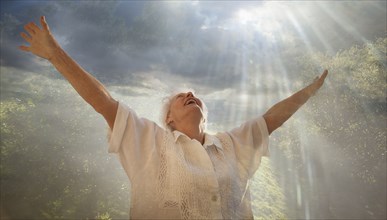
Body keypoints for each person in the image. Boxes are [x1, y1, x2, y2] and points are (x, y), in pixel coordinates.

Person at [19, 16, 328, 219]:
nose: (190, 93)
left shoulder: (232, 145)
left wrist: (310, 91)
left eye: (195, 95)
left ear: (205, 114)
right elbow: (103, 102)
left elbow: (271, 119)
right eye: (180, 96)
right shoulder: (150, 141)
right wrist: (54, 53)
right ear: (168, 118)